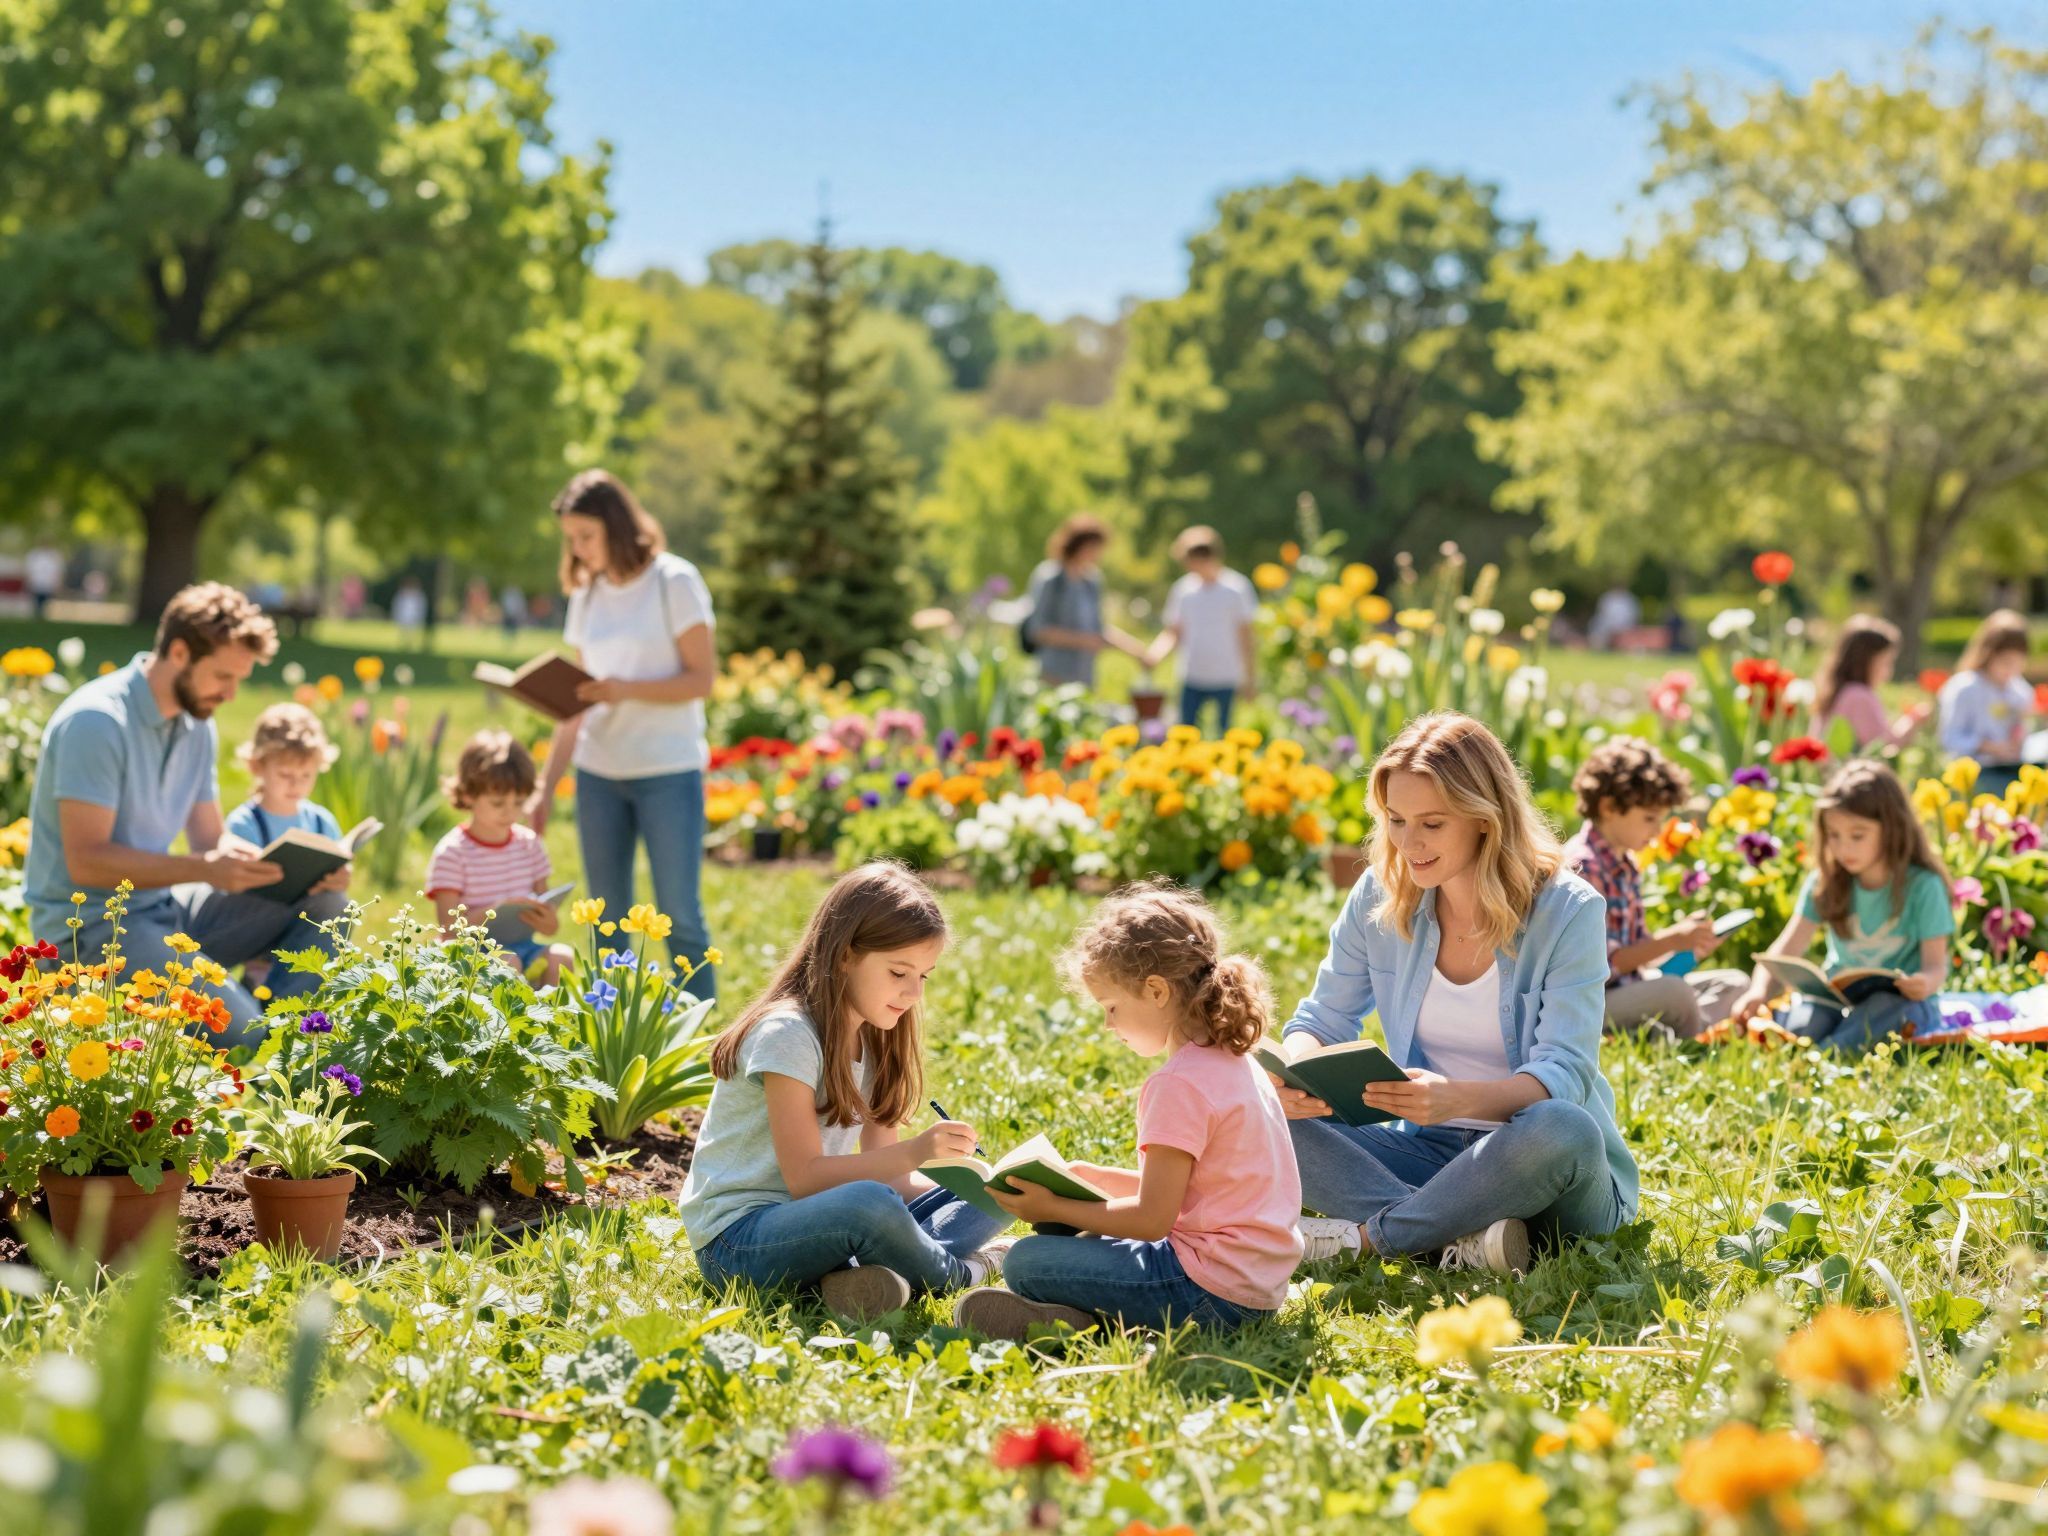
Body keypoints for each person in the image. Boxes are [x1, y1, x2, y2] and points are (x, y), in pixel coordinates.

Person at [1279, 712, 1638, 1277]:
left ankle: (1372, 1240)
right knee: (1259, 1111)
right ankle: (1458, 1239)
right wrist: (1296, 1074)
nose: (1408, 843)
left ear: (1484, 820)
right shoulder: (1381, 893)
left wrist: (1456, 1099)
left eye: (1432, 824)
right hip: (1432, 1157)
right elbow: (1320, 1017)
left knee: (1563, 1126)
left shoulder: (1569, 910)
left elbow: (1564, 1073)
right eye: (1396, 820)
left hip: (1542, 1170)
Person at [957, 885, 1301, 1338]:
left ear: (1156, 991)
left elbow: (1151, 1220)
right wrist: (1093, 1179)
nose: (1108, 1024)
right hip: (1253, 1287)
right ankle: (1078, 1316)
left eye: (1112, 1007)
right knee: (1085, 1233)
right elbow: (1202, 1192)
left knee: (1025, 1260)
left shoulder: (1177, 1084)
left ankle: (1076, 1321)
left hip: (1205, 1292)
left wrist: (1053, 1204)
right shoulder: (1233, 1061)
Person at [678, 863, 1012, 1321]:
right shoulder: (788, 1033)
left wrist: (972, 1182)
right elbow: (806, 1178)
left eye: (924, 976)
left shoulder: (877, 1037)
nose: (914, 992)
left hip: (825, 1223)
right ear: (844, 956)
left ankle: (868, 1277)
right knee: (867, 1204)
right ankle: (959, 1274)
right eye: (898, 972)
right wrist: (917, 1152)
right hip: (739, 1243)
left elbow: (891, 1178)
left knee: (994, 1189)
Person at [23, 584, 340, 1043]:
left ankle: (295, 1048)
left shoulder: (197, 725)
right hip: (92, 929)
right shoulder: (97, 722)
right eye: (223, 677)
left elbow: (210, 842)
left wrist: (271, 864)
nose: (232, 694)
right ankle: (262, 1043)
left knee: (327, 907)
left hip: (163, 909)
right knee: (243, 1032)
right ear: (178, 651)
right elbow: (86, 861)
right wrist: (204, 868)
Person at [531, 470, 719, 994]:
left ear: (617, 526)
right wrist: (545, 791)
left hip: (667, 770)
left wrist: (623, 690)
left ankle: (703, 1049)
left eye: (586, 536)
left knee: (679, 916)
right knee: (607, 924)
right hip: (599, 775)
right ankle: (615, 1041)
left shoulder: (674, 581)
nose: (579, 549)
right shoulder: (587, 595)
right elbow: (577, 703)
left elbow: (701, 680)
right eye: (571, 539)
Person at [1727, 760, 1952, 1055]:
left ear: (1892, 829)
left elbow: (1936, 967)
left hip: (1904, 1002)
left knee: (1884, 1012)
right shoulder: (1826, 881)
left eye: (1857, 836)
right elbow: (1783, 951)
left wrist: (1924, 983)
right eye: (1834, 835)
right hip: (1836, 998)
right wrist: (1757, 992)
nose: (1844, 848)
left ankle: (1824, 1058)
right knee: (1807, 1020)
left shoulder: (1923, 887)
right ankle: (1818, 1050)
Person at [1560, 739, 1747, 1038]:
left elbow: (1638, 951)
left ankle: (1659, 1033)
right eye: (1649, 818)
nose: (1657, 831)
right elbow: (1607, 964)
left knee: (1734, 983)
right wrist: (1671, 939)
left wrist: (1687, 943)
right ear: (1608, 807)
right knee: (1675, 993)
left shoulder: (1626, 864)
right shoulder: (1583, 868)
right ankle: (1697, 1041)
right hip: (1590, 1004)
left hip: (1632, 987)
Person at [223, 703, 352, 990]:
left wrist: (341, 878)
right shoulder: (246, 822)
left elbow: (340, 867)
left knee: (340, 906)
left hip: (311, 931)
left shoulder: (321, 820)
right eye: (285, 775)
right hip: (259, 936)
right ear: (257, 766)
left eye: (306, 776)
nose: (296, 784)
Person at [426, 731, 570, 985]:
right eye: (498, 803)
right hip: (469, 955)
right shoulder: (453, 852)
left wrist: (548, 922)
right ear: (469, 794)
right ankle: (508, 1023)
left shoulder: (529, 845)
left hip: (523, 946)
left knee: (562, 957)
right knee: (507, 962)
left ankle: (548, 1020)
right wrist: (494, 912)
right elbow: (448, 930)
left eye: (519, 802)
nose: (510, 812)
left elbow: (548, 924)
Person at [1147, 526, 1258, 733]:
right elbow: (1174, 631)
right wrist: (1154, 655)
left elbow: (1246, 636)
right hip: (1192, 675)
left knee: (1224, 735)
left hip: (1226, 676)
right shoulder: (1183, 590)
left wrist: (1250, 678)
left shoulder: (1236, 588)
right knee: (1186, 733)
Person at [1021, 513, 1150, 692]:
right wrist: (1082, 641)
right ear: (1077, 545)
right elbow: (1037, 630)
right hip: (1053, 674)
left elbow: (1098, 630)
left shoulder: (1092, 581)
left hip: (1084, 676)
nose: (1096, 554)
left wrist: (1135, 650)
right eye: (1092, 547)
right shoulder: (1051, 578)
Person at [1938, 610, 2037, 801]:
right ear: (1988, 654)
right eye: (2006, 662)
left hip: (2011, 767)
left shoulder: (2019, 689)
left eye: (2018, 664)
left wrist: (2019, 736)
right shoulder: (1965, 687)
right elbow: (1949, 738)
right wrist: (1987, 746)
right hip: (1977, 772)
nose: (2011, 670)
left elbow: (2022, 730)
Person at [1815, 616, 1929, 752]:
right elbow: (1884, 744)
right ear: (1865, 662)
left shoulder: (1838, 690)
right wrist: (1912, 720)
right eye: (1887, 662)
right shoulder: (1858, 695)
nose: (1890, 669)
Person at [1588, 584, 1641, 651]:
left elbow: (1633, 617)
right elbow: (1602, 614)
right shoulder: (1606, 598)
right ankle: (1599, 646)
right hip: (1607, 625)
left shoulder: (1631, 599)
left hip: (1625, 626)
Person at [25, 544, 63, 619]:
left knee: (46, 601)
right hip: (37, 582)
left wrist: (56, 582)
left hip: (47, 583)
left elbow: (57, 571)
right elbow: (29, 569)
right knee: (37, 600)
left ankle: (42, 615)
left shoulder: (54, 555)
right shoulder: (34, 555)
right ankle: (38, 615)